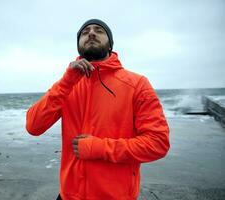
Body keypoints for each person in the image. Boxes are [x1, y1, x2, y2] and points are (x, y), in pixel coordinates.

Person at [26, 19, 170, 200]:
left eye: (99, 30)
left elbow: (158, 143)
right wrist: (66, 81)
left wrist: (99, 148)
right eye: (85, 32)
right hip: (69, 195)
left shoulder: (137, 84)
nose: (91, 33)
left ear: (110, 44)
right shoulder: (66, 85)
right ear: (78, 46)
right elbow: (33, 126)